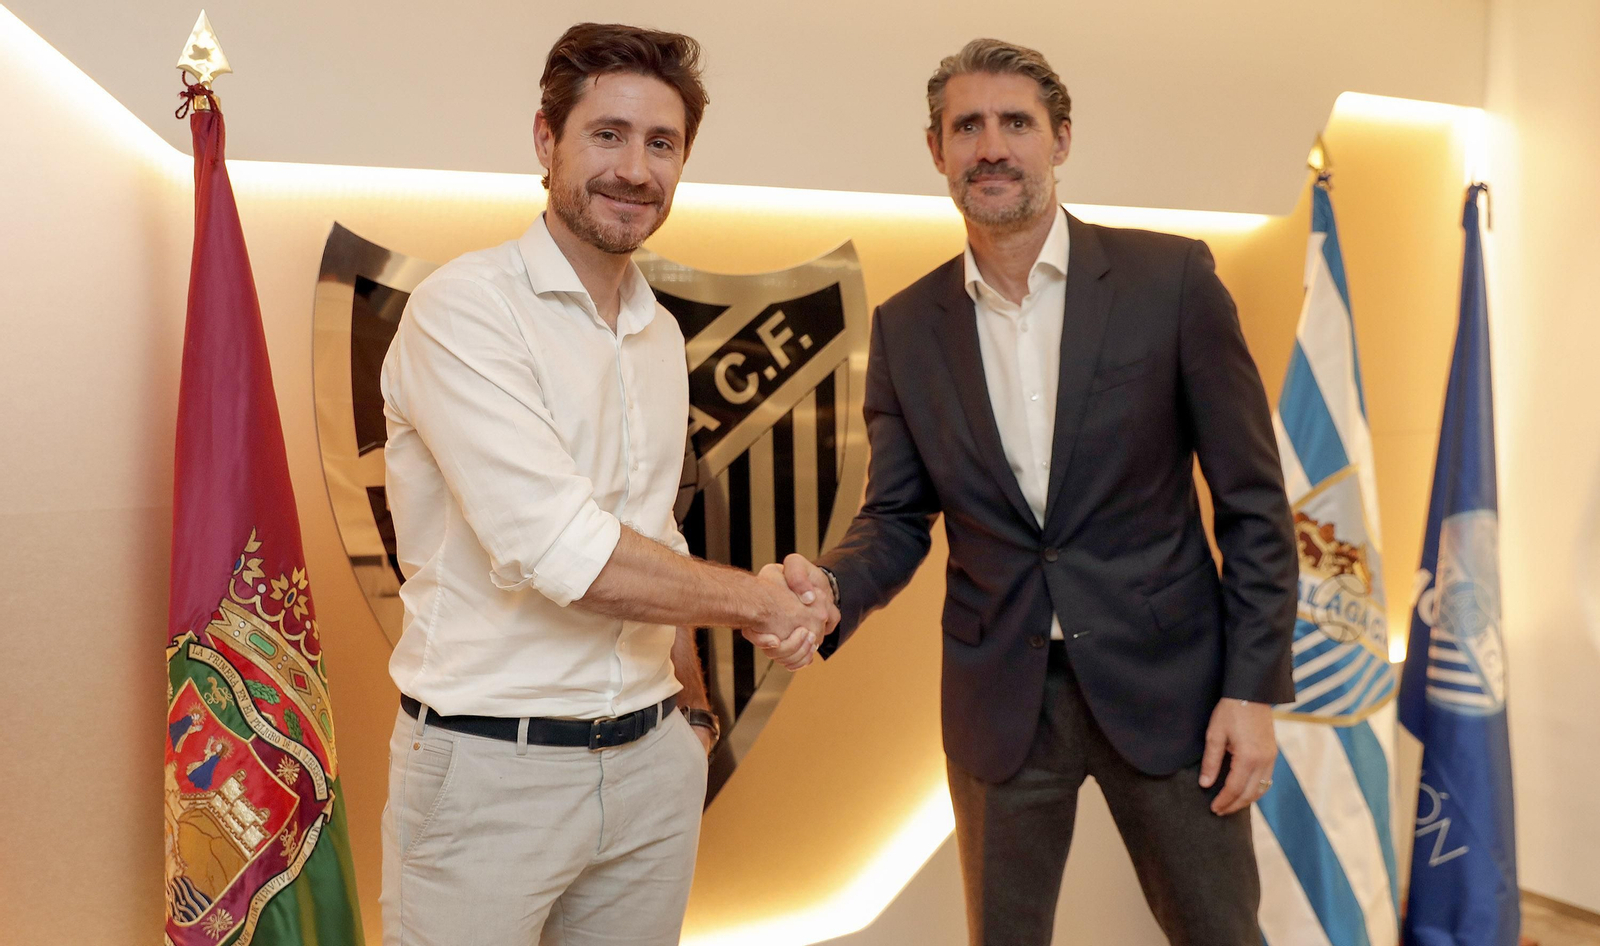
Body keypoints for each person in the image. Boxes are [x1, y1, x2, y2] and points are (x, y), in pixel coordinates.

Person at [771, 38, 1298, 946]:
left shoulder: (1172, 282)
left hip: (1173, 689)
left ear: (1060, 138)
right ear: (936, 149)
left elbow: (1253, 504)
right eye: (966, 127)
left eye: (1016, 123)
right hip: (1000, 701)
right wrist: (830, 589)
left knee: (1220, 933)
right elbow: (897, 516)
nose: (991, 148)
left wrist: (1251, 692)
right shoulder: (906, 327)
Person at [378, 23, 833, 946]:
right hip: (492, 772)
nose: (634, 169)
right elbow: (564, 552)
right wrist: (761, 604)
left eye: (661, 143)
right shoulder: (464, 310)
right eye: (608, 135)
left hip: (650, 766)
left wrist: (691, 711)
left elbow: (651, 533)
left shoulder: (655, 331)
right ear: (546, 140)